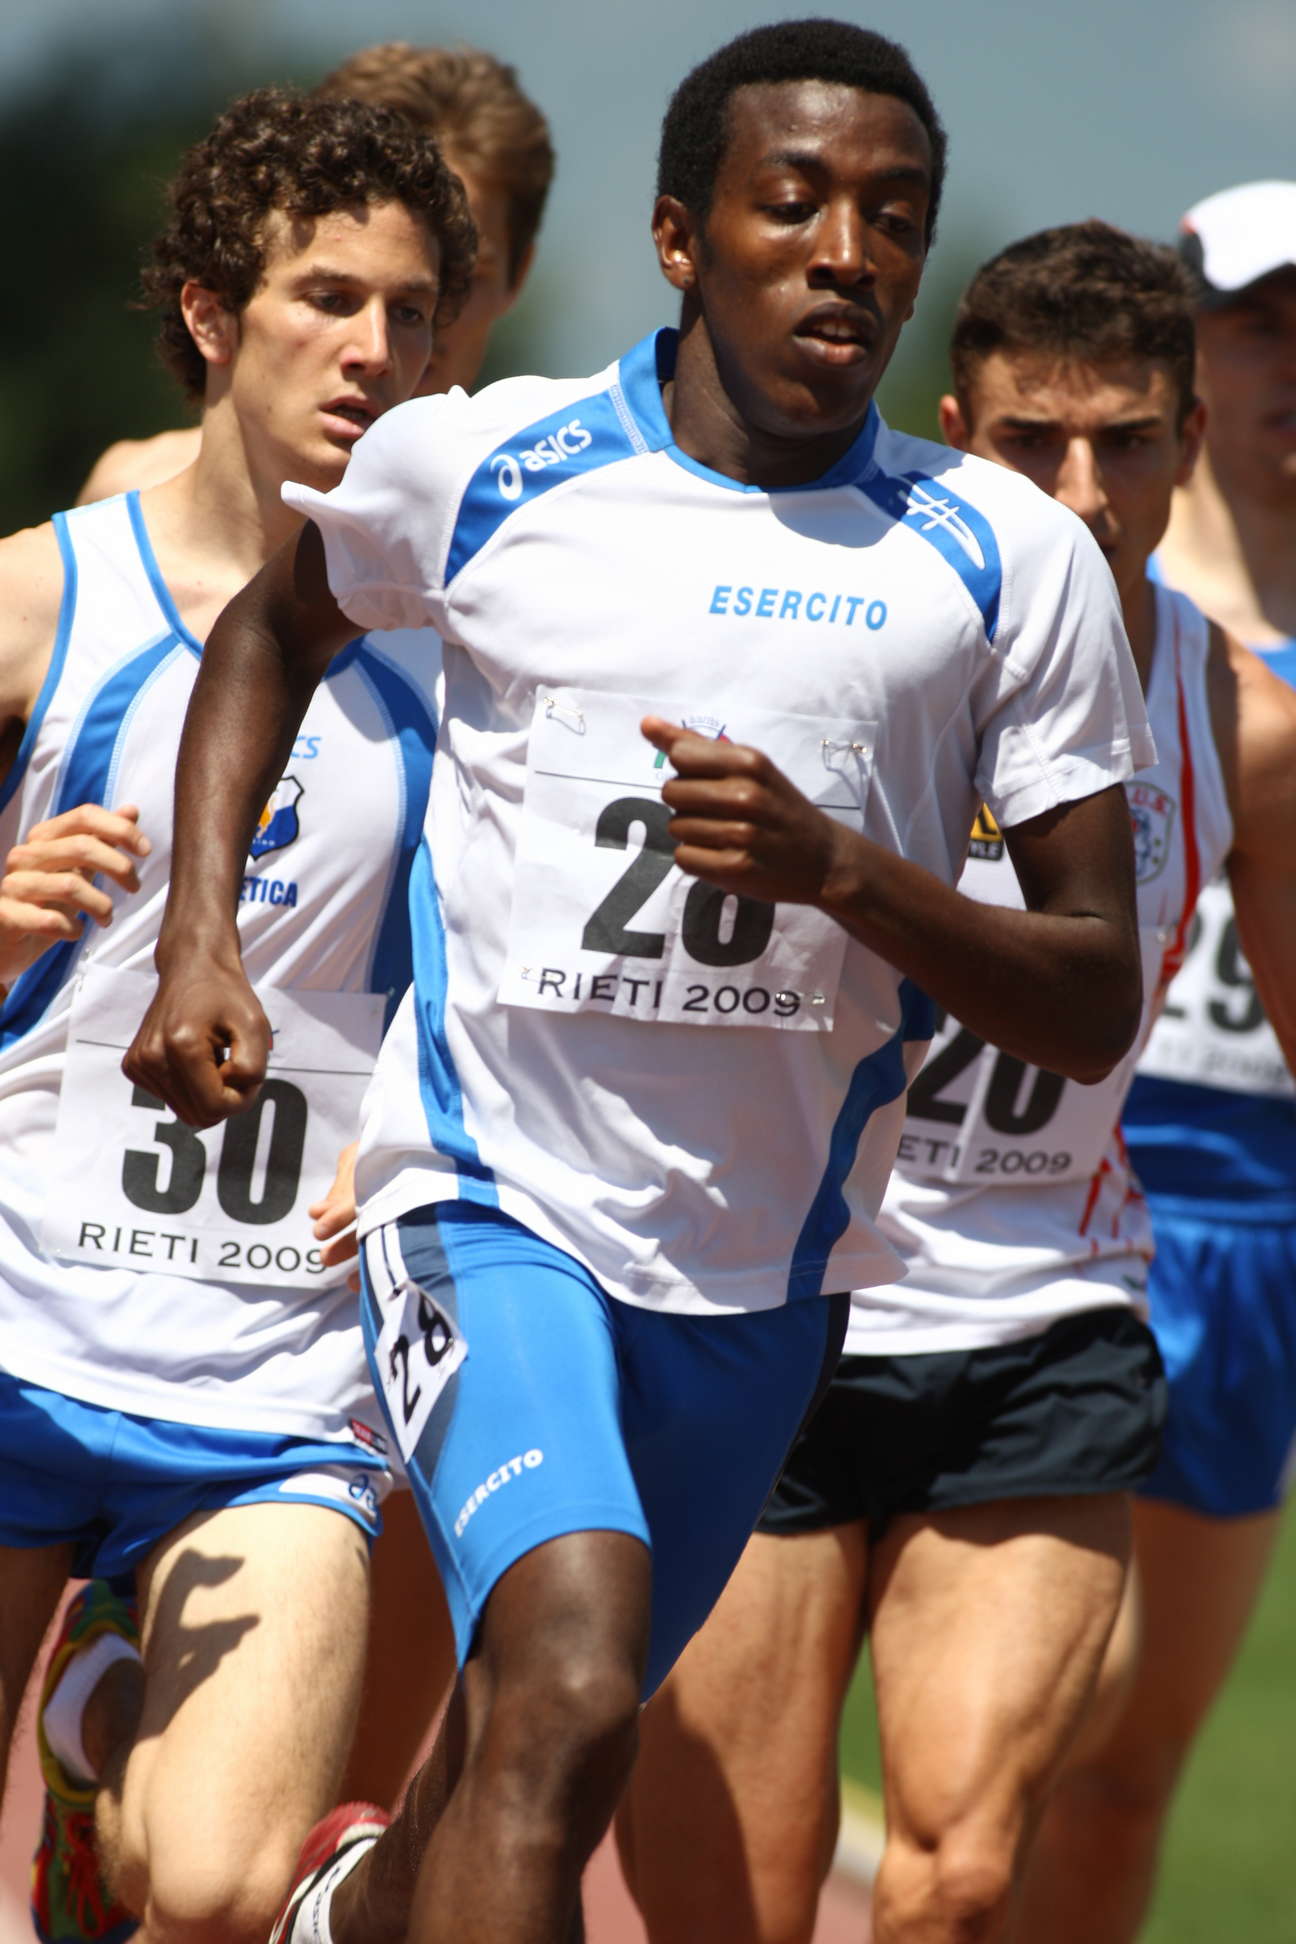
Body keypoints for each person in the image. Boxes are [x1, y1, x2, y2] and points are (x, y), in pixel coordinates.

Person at [126, 23, 1154, 1944]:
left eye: (893, 216)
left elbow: (1095, 989)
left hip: (761, 1266)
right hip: (488, 1195)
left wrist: (843, 871)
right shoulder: (479, 460)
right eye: (794, 204)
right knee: (575, 1670)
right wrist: (201, 934)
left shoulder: (1002, 558)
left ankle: (338, 1908)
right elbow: (269, 629)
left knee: (523, 1753)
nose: (846, 252)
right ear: (682, 236)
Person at [618, 216, 1296, 1944]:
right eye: (1028, 442)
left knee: (964, 1877)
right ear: (951, 433)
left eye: (1123, 443)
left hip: (1039, 1317)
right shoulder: (821, 644)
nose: (1078, 493)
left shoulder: (1234, 715)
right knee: (739, 1910)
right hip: (771, 1305)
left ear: (1186, 444)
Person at [0, 87, 474, 1944]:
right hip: (16, 1312)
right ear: (210, 313)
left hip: (272, 1369)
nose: (374, 350)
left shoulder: (466, 652)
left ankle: (105, 1731)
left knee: (206, 1889)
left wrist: (421, 1116)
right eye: (325, 298)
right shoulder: (42, 600)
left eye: (411, 312)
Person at [66, 39, 556, 1821]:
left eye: (439, 288)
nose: (392, 334)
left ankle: (158, 1777)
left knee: (305, 1804)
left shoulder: (517, 576)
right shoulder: (108, 531)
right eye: (333, 287)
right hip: (64, 1253)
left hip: (338, 1271)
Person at [1024, 181, 1296, 1942]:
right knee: (1033, 1731)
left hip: (1266, 1218)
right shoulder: (1106, 589)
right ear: (1191, 356)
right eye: (1267, 326)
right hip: (1080, 1190)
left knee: (1133, 1771)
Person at [77, 41, 551, 504]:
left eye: (463, 274)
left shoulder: (543, 514)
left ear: (518, 276)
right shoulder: (132, 497)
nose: (378, 342)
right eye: (333, 295)